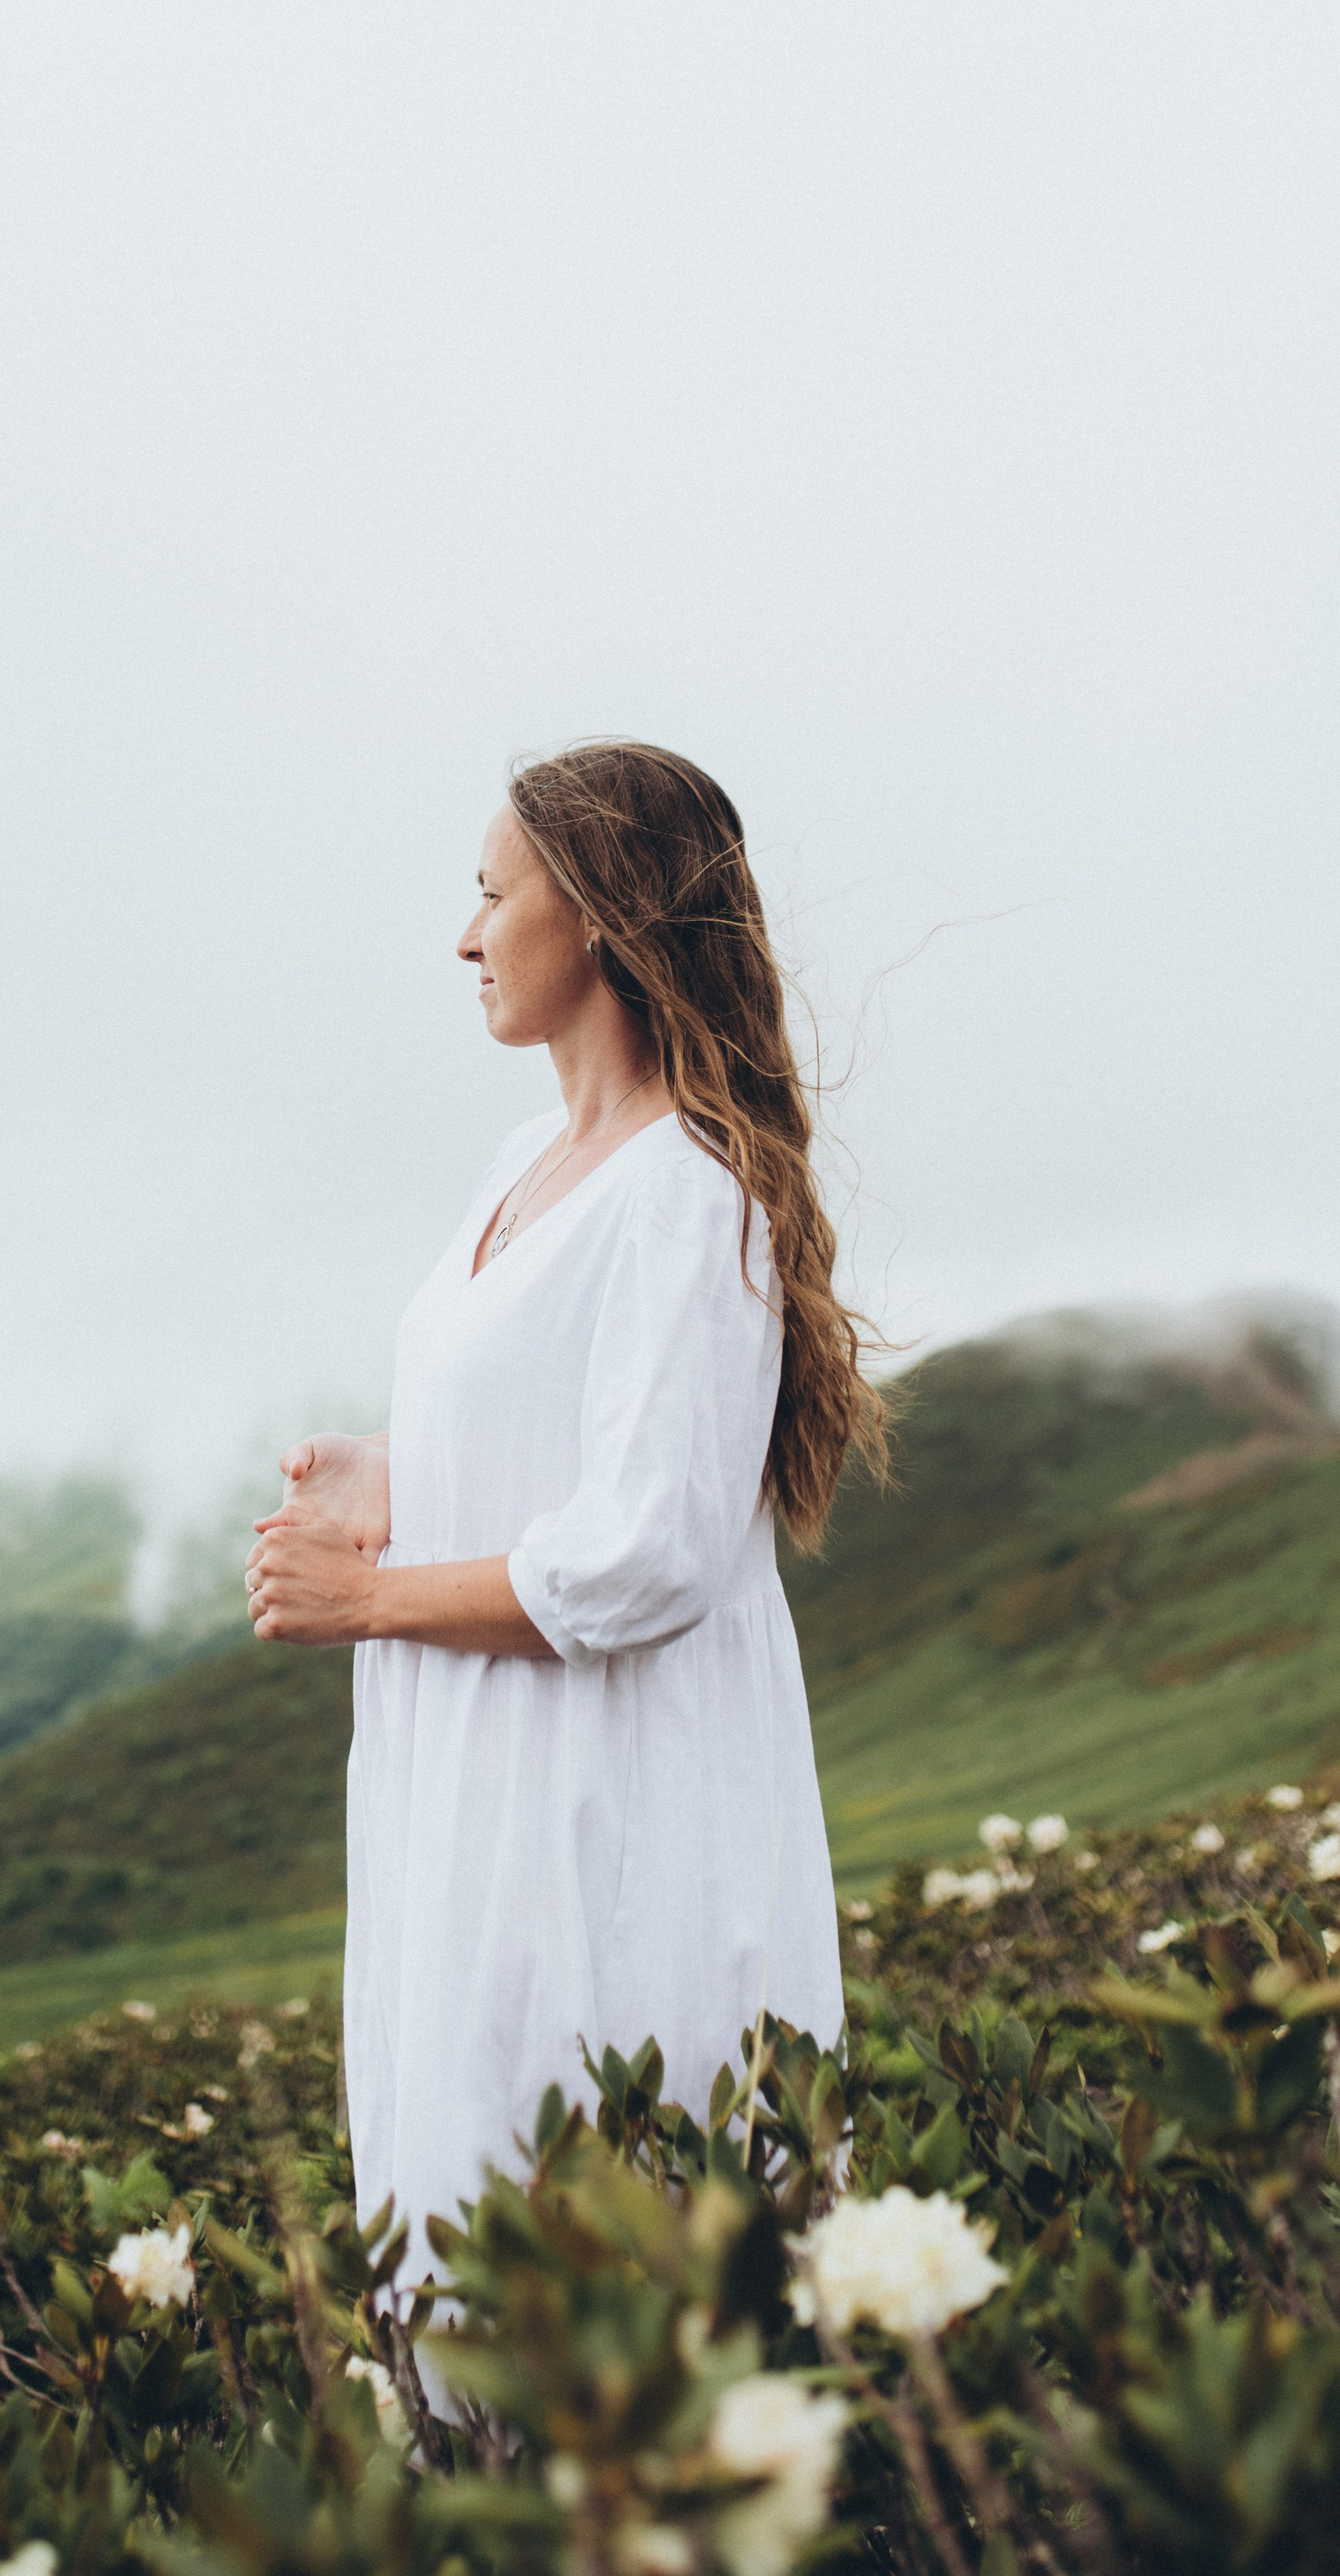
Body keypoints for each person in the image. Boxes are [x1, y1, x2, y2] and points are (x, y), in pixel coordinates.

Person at [245, 740, 881, 2271]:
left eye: (488, 895)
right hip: (475, 1781)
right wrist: (394, 1477)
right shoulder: (530, 1159)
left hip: (599, 1794)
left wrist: (368, 1601)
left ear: (597, 910)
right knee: (471, 2171)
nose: (464, 938)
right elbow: (567, 1442)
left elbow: (651, 1550)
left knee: (600, 2211)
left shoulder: (687, 1192)